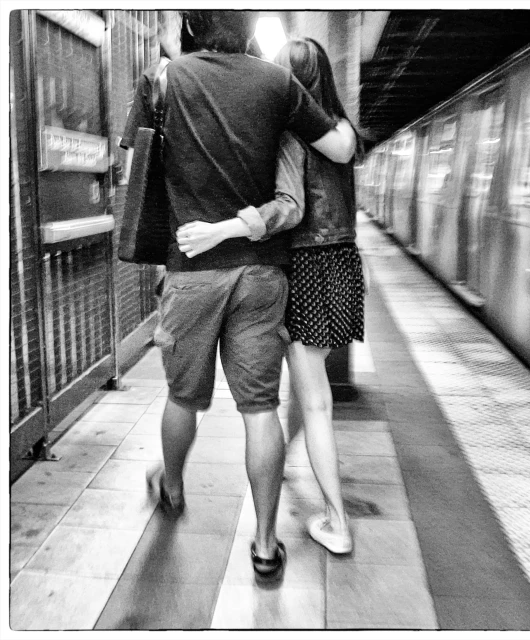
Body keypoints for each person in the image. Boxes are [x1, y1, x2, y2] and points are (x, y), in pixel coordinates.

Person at [120, 11, 356, 583]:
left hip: (191, 268)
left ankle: (172, 484)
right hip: (262, 273)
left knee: (182, 396)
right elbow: (339, 146)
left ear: (193, 27)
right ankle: (267, 542)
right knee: (260, 410)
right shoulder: (277, 82)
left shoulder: (163, 78)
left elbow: (136, 165)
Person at [177, 38, 365, 555]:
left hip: (304, 267)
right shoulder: (344, 131)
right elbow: (344, 157)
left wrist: (222, 229)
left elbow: (292, 208)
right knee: (312, 395)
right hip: (344, 267)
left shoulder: (288, 135)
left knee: (314, 403)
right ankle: (280, 465)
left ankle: (336, 521)